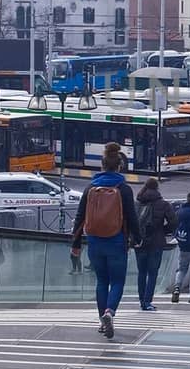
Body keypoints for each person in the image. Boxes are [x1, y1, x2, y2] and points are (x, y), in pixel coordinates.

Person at [70, 142, 141, 338]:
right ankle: (110, 312)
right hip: (117, 240)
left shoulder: (90, 187)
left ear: (101, 165)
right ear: (119, 166)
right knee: (117, 281)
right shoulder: (124, 188)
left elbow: (80, 216)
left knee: (102, 281)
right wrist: (137, 238)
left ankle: (102, 319)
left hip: (94, 241)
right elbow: (132, 217)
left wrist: (75, 244)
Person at [134, 178, 177, 311]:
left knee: (141, 272)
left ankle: (142, 300)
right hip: (156, 242)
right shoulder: (163, 204)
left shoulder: (137, 204)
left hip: (139, 242)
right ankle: (147, 301)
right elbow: (174, 222)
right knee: (152, 273)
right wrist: (163, 231)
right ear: (157, 188)